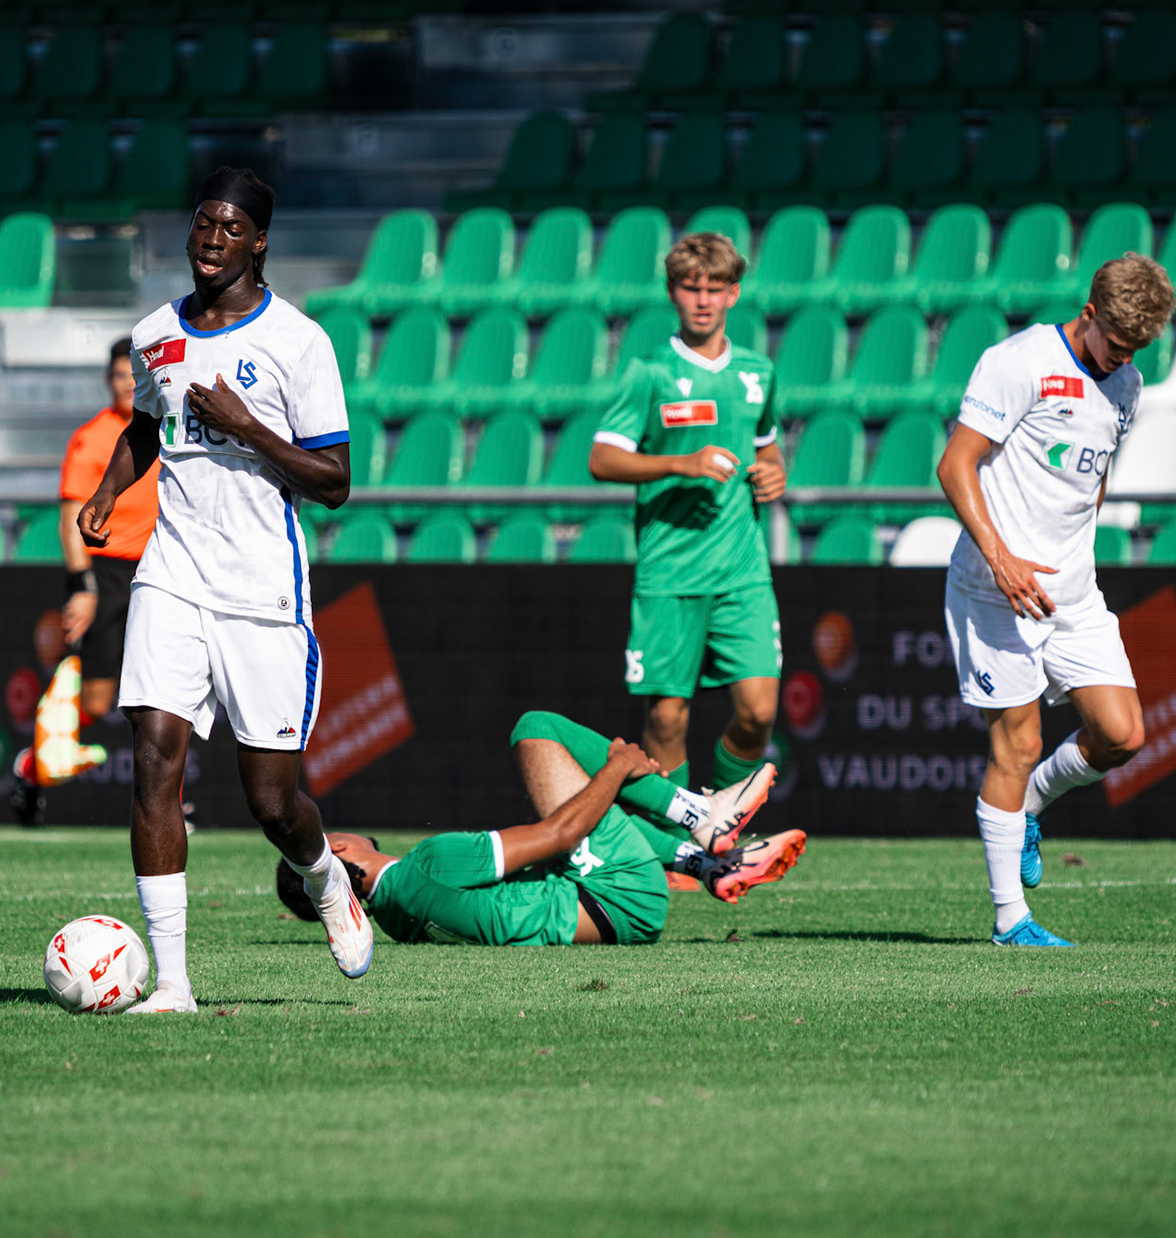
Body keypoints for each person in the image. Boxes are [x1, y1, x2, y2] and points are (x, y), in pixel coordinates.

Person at [76, 167, 367, 1014]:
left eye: (232, 227)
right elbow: (146, 426)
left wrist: (248, 427)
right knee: (155, 759)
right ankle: (173, 984)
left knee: (272, 802)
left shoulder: (299, 342)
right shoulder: (154, 334)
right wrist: (107, 492)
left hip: (262, 591)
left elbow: (335, 480)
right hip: (171, 572)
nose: (213, 239)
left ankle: (325, 879)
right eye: (204, 223)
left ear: (259, 242)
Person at [935, 255, 1176, 948]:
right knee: (1018, 744)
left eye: (1137, 349)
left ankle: (1031, 808)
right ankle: (1011, 921)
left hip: (1072, 593)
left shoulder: (1127, 383)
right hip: (995, 589)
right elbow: (954, 465)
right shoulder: (1019, 362)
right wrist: (1002, 558)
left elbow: (1091, 479)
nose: (1124, 358)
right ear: (1089, 312)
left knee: (1123, 735)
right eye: (1117, 343)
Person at [587, 232, 786, 889]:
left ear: (734, 293)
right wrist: (681, 463)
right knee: (667, 717)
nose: (702, 300)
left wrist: (774, 472)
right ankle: (682, 849)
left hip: (742, 570)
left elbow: (767, 446)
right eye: (690, 287)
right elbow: (603, 458)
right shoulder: (648, 372)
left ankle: (720, 817)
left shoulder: (758, 371)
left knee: (757, 712)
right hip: (670, 570)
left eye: (714, 288)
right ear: (673, 293)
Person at [275, 711, 805, 947]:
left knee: (575, 804)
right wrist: (618, 767)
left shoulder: (394, 920)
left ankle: (707, 864)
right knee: (536, 730)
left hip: (616, 918)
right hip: (621, 893)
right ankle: (697, 814)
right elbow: (561, 834)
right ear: (335, 846)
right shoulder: (427, 864)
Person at [10, 338, 160, 827]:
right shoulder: (93, 438)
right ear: (107, 380)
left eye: (135, 376)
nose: (128, 385)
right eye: (119, 376)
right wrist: (83, 586)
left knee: (165, 695)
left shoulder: (167, 429)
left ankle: (172, 806)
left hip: (159, 568)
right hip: (107, 572)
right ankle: (32, 766)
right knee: (96, 700)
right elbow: (71, 515)